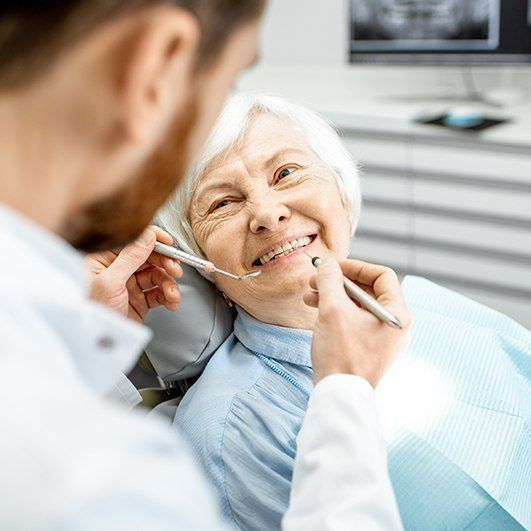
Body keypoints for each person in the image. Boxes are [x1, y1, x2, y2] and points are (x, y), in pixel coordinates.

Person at [0, 2, 410, 529]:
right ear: (158, 61)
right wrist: (346, 392)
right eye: (232, 75)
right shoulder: (195, 446)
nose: (268, 212)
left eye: (287, 172)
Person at [159, 93, 530, 530]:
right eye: (222, 203)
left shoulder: (433, 309)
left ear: (341, 191)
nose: (268, 213)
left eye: (286, 173)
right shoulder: (233, 428)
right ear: (200, 263)